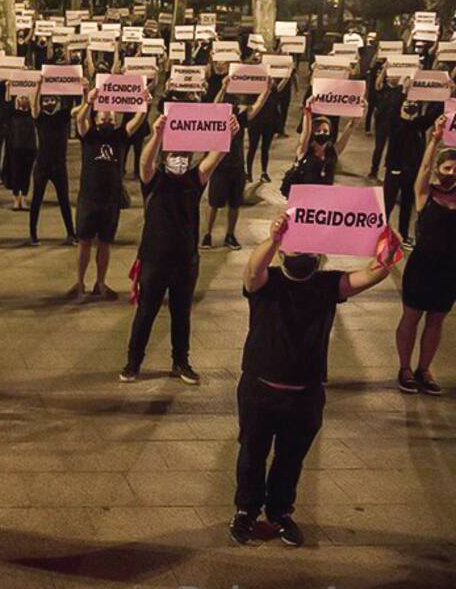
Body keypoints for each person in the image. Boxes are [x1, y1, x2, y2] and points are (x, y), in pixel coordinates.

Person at [231, 211, 397, 547]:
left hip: (305, 394)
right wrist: (276, 236)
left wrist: (386, 242)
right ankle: (245, 512)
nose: (300, 254)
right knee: (252, 453)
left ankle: (279, 513)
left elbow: (374, 272)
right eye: (292, 248)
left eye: (306, 249)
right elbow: (252, 269)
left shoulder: (327, 284)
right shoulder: (268, 282)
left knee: (291, 459)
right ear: (281, 252)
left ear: (318, 256)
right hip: (260, 389)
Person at [120, 113, 233, 384]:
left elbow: (215, 158)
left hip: (185, 261)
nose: (179, 159)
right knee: (146, 313)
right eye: (173, 155)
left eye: (184, 155)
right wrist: (158, 135)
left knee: (181, 314)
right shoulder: (154, 181)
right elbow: (144, 162)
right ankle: (133, 363)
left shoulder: (195, 180)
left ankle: (180, 362)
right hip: (154, 260)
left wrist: (227, 132)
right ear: (165, 157)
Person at [395, 115, 455, 395]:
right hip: (422, 267)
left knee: (436, 320)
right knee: (411, 316)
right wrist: (434, 140)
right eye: (447, 168)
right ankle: (405, 368)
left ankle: (425, 369)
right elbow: (424, 168)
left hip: (449, 269)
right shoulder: (425, 194)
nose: (450, 173)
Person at [69, 89, 148, 300]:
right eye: (104, 116)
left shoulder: (119, 136)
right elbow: (79, 119)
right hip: (89, 198)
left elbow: (137, 122)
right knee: (84, 242)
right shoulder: (89, 135)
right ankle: (79, 282)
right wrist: (88, 102)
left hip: (110, 200)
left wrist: (144, 103)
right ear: (96, 118)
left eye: (111, 117)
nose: (108, 119)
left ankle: (100, 283)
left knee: (105, 243)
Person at [203, 78, 269, 250]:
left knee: (234, 203)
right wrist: (223, 87)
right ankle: (207, 235)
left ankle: (230, 235)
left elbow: (256, 108)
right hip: (219, 165)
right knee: (213, 203)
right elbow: (213, 106)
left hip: (237, 165)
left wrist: (267, 90)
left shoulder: (239, 116)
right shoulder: (216, 115)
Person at [29, 84, 79, 246]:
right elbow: (34, 106)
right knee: (36, 200)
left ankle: (71, 233)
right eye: (46, 100)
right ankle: (33, 234)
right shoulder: (40, 117)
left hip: (59, 166)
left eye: (52, 100)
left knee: (64, 200)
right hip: (42, 165)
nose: (49, 103)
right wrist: (38, 86)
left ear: (57, 102)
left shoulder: (62, 116)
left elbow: (80, 109)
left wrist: (84, 90)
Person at [381, 99, 429, 247]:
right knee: (387, 203)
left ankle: (403, 234)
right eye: (407, 105)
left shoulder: (418, 125)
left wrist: (447, 94)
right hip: (394, 170)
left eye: (413, 106)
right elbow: (393, 114)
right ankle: (381, 232)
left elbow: (433, 114)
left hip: (411, 171)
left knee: (407, 204)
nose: (410, 108)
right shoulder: (395, 123)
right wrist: (403, 92)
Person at [5, 92, 37, 211]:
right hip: (15, 148)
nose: (23, 100)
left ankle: (23, 199)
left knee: (26, 175)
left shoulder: (32, 114)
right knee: (15, 174)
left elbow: (36, 108)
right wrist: (8, 89)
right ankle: (15, 199)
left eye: (26, 98)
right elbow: (7, 104)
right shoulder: (13, 114)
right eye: (21, 98)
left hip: (29, 148)